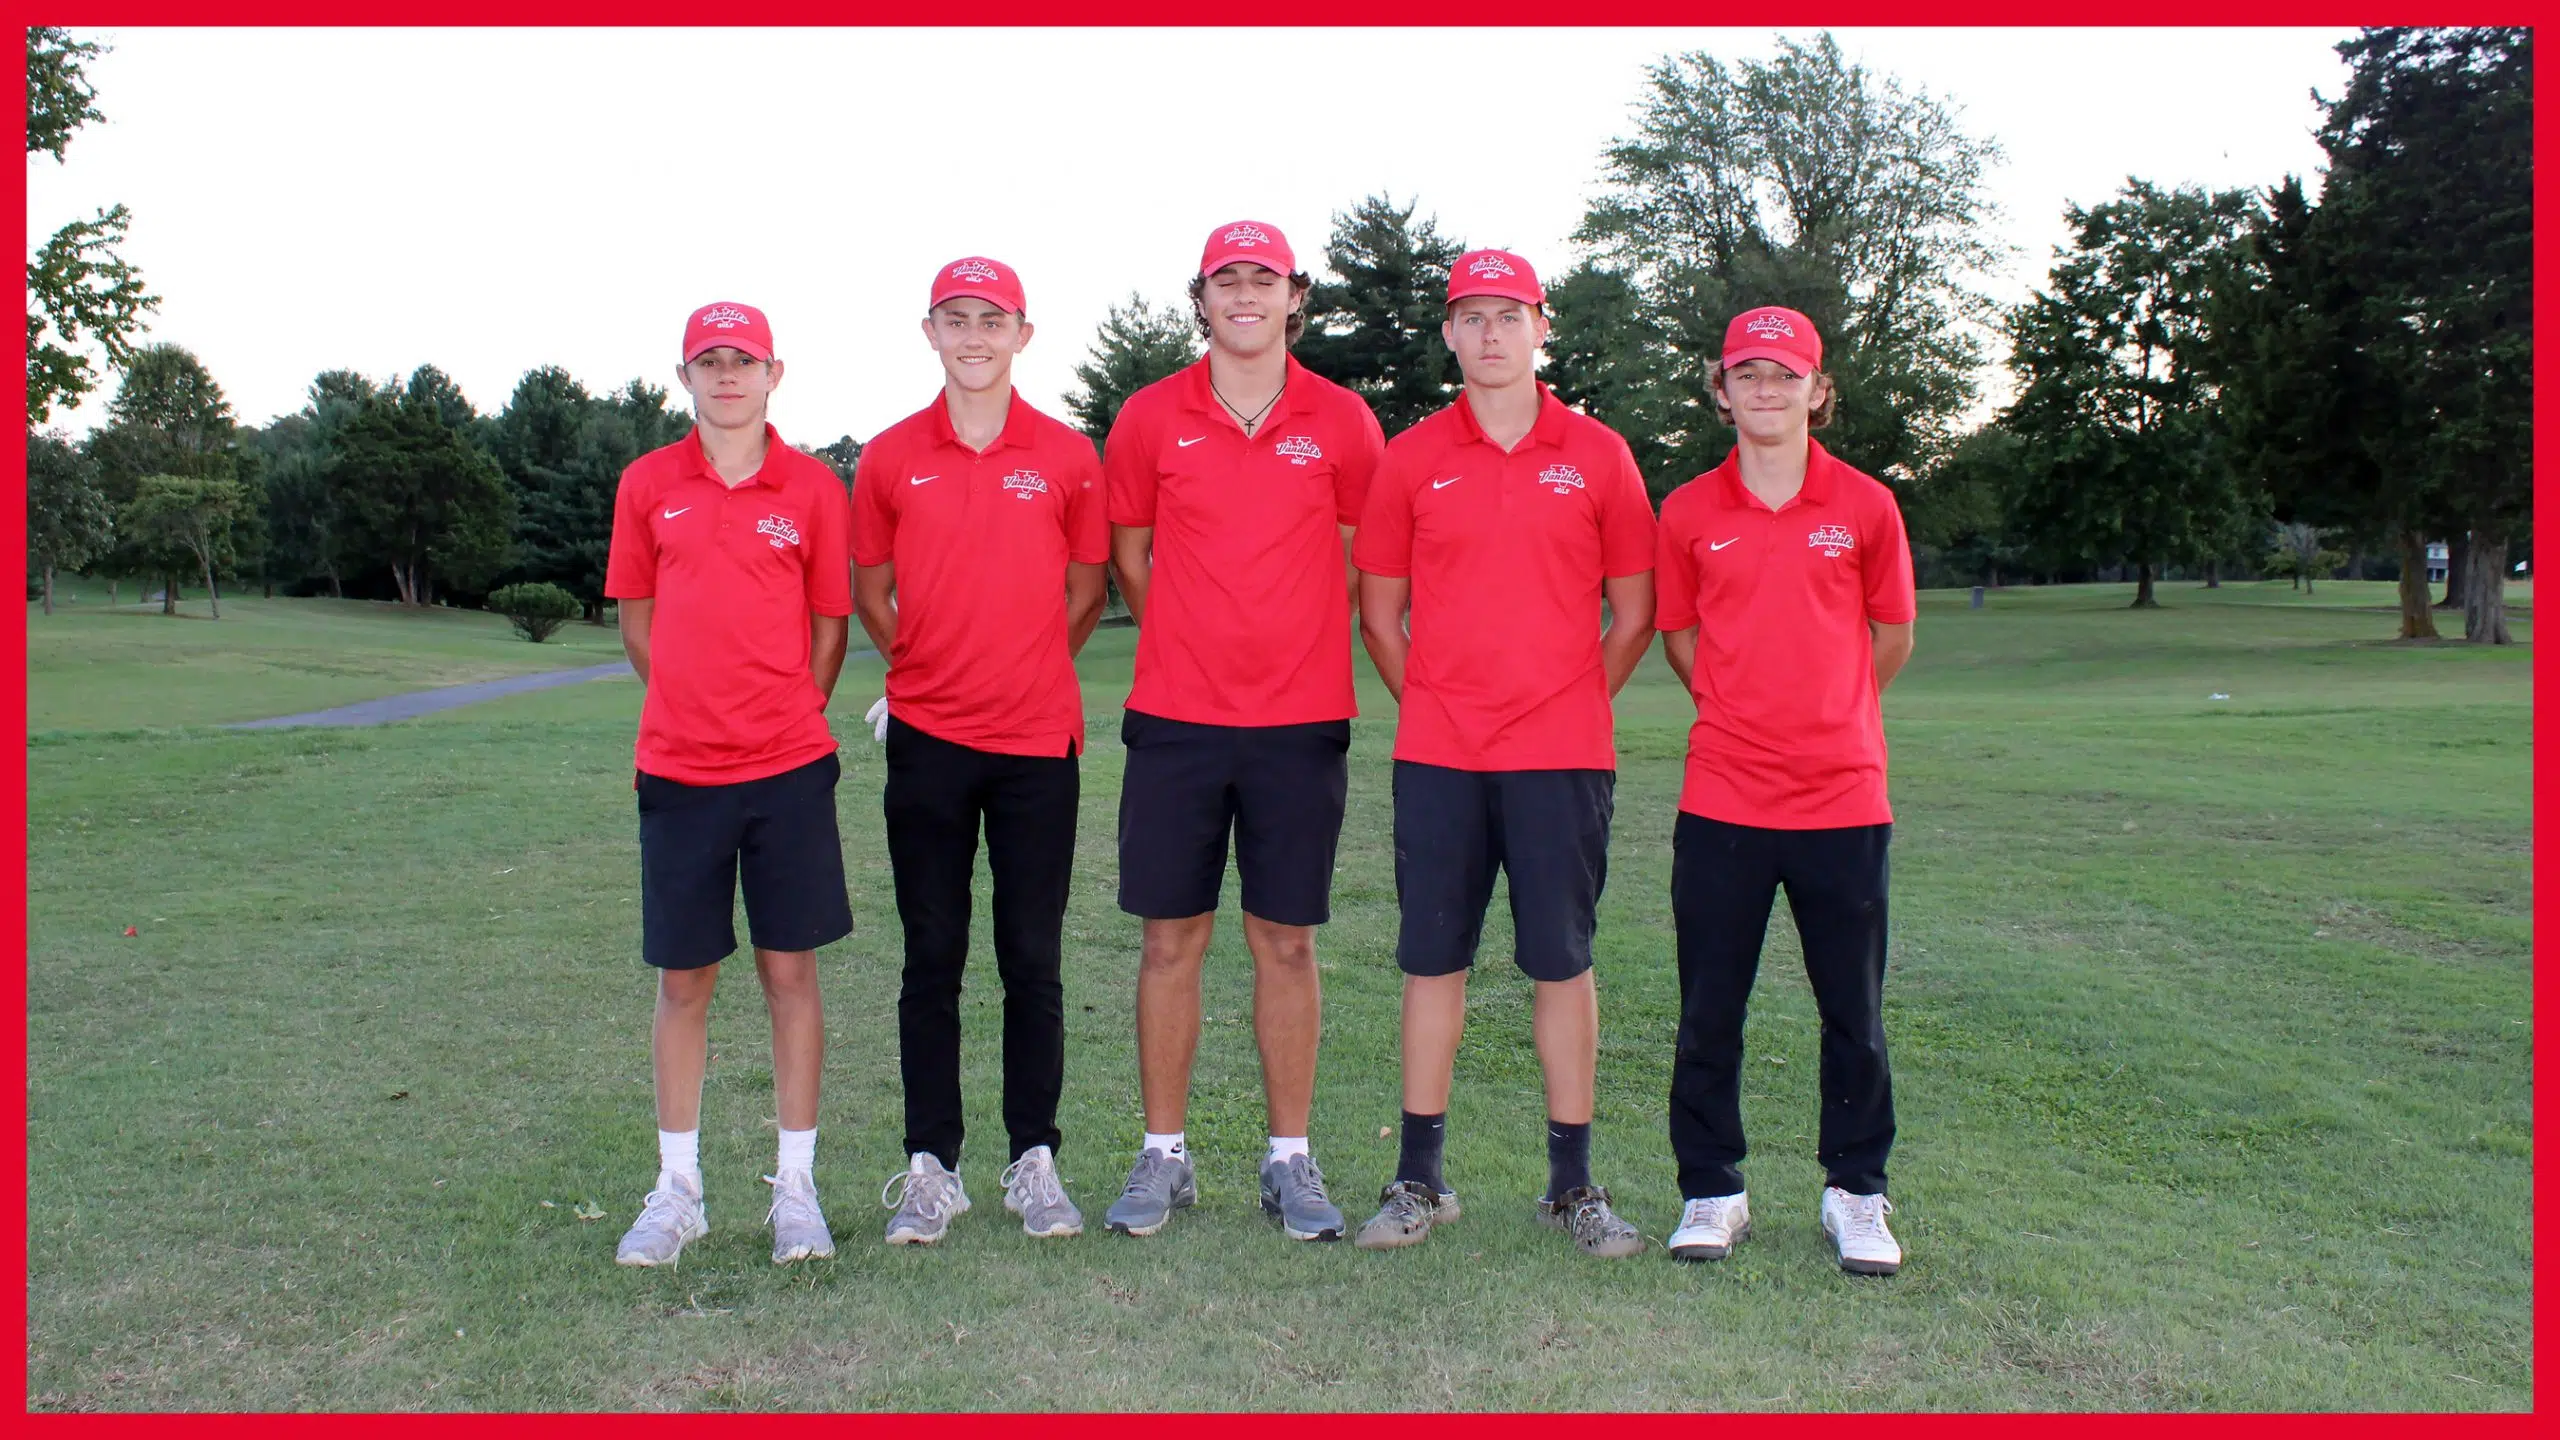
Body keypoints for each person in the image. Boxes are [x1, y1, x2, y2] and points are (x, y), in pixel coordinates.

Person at [1348, 249, 1658, 1258]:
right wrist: (1443, 706)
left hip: (1560, 757)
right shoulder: (1410, 456)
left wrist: (1559, 704)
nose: (1489, 334)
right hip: (1441, 755)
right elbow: (1380, 616)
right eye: (1470, 317)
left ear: (1541, 326)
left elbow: (1636, 611)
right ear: (1448, 334)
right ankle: (1417, 1180)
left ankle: (1572, 1185)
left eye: (1507, 315)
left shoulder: (1600, 454)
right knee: (1433, 958)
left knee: (1560, 963)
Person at [1099, 220, 1385, 1241]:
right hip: (1176, 717)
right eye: (1229, 280)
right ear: (1203, 297)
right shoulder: (1147, 417)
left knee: (1287, 941)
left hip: (1301, 719)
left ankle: (1289, 1162)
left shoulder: (1345, 420)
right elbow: (1130, 556)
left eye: (1263, 280)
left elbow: (1365, 558)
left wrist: (1290, 635)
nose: (1246, 297)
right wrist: (1194, 633)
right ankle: (1163, 1156)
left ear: (1293, 296)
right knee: (1169, 938)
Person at [1653, 305, 1917, 1275]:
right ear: (1720, 391)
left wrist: (1826, 712)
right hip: (1721, 797)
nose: (1766, 390)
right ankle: (1711, 1189)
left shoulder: (1866, 507)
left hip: (1842, 800)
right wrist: (1745, 711)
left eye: (1785, 374)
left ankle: (1857, 1192)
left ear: (1817, 390)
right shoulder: (1685, 513)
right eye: (1747, 374)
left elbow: (1890, 637)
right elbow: (1682, 642)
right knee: (1708, 1007)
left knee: (1852, 1009)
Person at [851, 257, 1107, 1245]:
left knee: (1031, 958)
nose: (972, 336)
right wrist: (918, 664)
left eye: (990, 319)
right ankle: (931, 1167)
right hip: (926, 742)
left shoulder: (1065, 454)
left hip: (1038, 740)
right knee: (932, 956)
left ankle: (1032, 1159)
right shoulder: (886, 459)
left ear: (1021, 335)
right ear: (929, 332)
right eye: (954, 319)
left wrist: (1027, 664)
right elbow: (872, 591)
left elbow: (1087, 590)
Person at [606, 301, 855, 1268]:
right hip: (678, 770)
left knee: (791, 973)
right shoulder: (647, 484)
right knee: (685, 979)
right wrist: (692, 706)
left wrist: (783, 712)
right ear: (686, 377)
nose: (726, 377)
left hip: (788, 769)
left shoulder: (814, 487)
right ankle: (679, 1191)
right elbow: (639, 622)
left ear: (773, 373)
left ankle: (796, 1187)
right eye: (708, 362)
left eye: (742, 360)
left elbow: (830, 627)